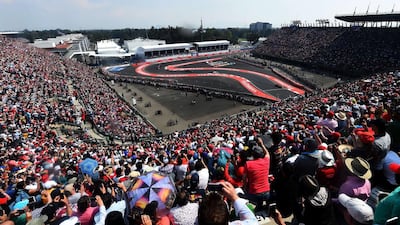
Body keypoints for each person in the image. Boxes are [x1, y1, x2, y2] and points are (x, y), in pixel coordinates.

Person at [242, 137, 271, 212]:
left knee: (241, 194)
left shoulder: (248, 164)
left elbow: (244, 179)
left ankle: (258, 206)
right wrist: (261, 144)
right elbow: (267, 153)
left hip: (255, 194)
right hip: (267, 193)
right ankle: (264, 206)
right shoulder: (266, 161)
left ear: (253, 154)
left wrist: (245, 188)